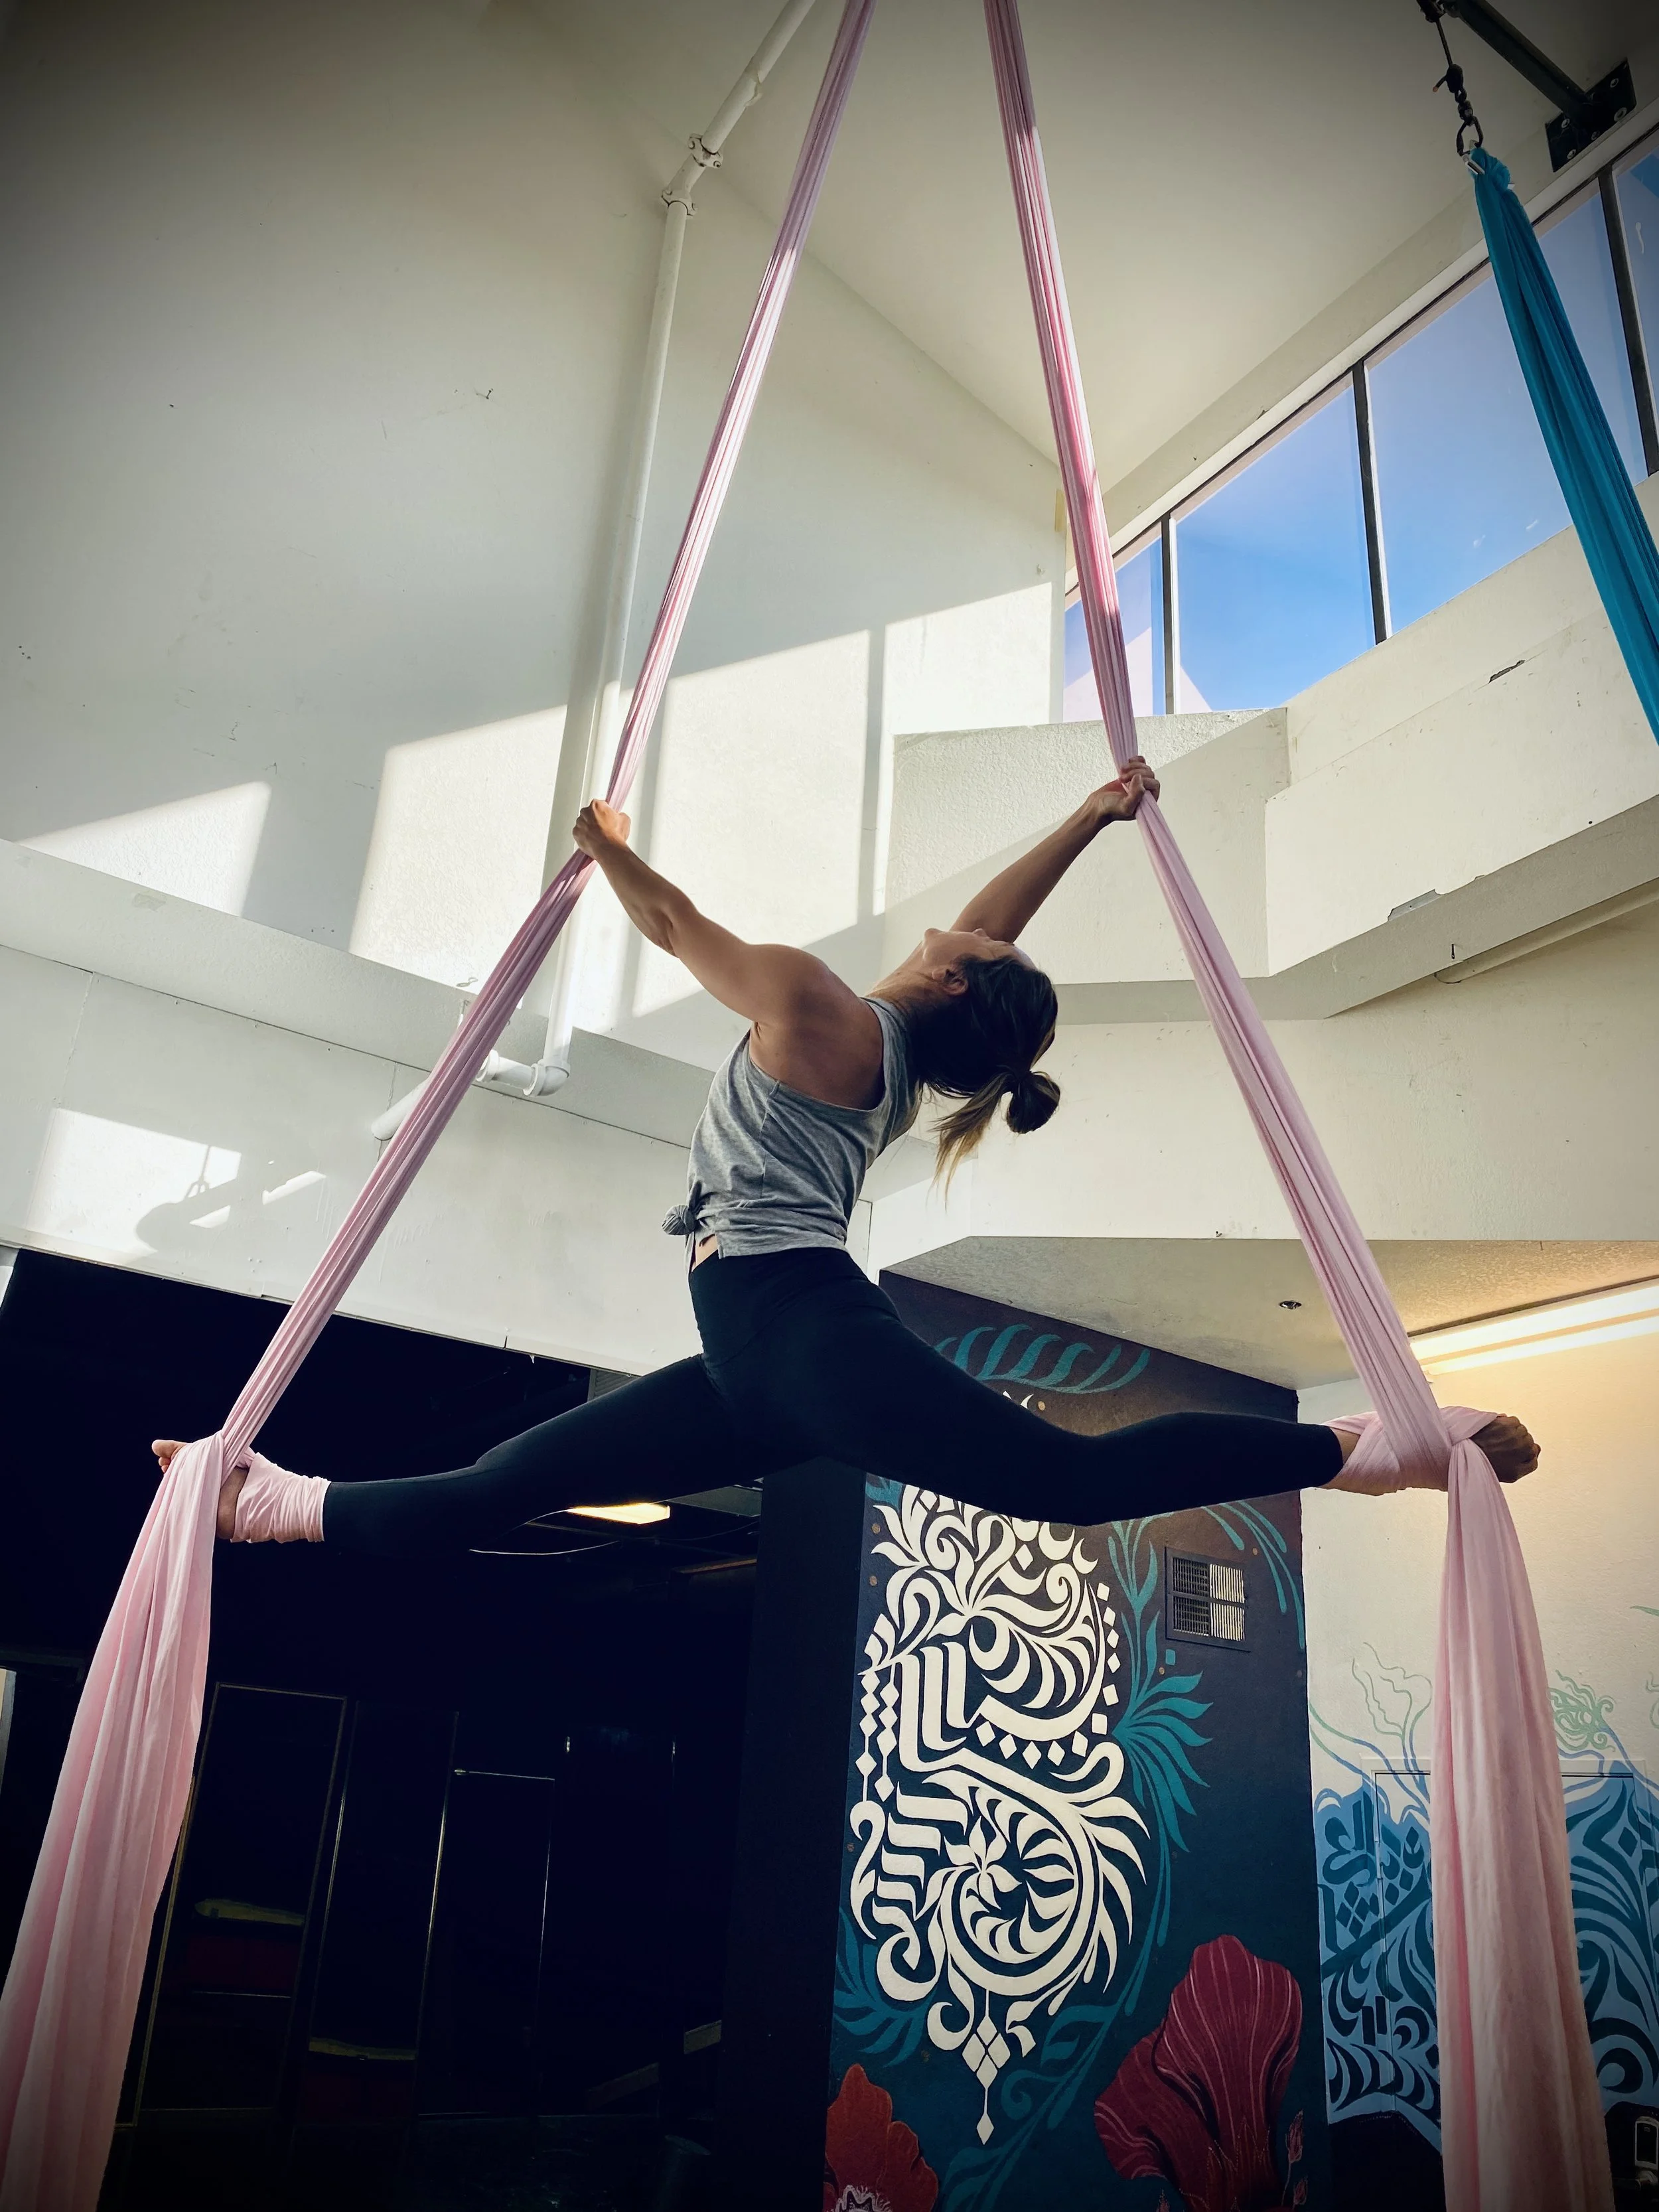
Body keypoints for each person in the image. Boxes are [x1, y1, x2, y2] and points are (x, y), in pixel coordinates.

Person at [154, 757, 1538, 1547]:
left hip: (796, 1330)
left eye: (961, 944)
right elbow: (992, 927)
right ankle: (268, 1505)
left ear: (945, 983)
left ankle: (1362, 1450)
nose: (957, 925)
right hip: (759, 1356)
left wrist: (608, 852)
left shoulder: (820, 1011)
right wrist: (1086, 817)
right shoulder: (879, 1038)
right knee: (501, 1485)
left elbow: (673, 923)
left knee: (1060, 1485)